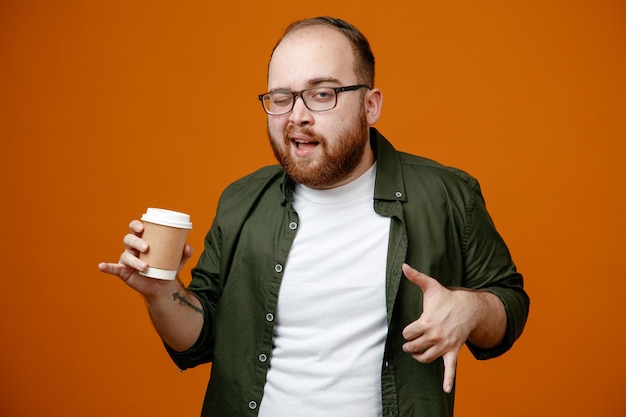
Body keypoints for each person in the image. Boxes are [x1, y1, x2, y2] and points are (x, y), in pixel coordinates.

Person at [98, 16, 529, 417]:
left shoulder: (447, 195)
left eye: (322, 94)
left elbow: (510, 306)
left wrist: (472, 308)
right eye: (282, 97)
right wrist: (161, 292)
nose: (297, 116)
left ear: (370, 105)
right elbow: (200, 339)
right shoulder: (242, 200)